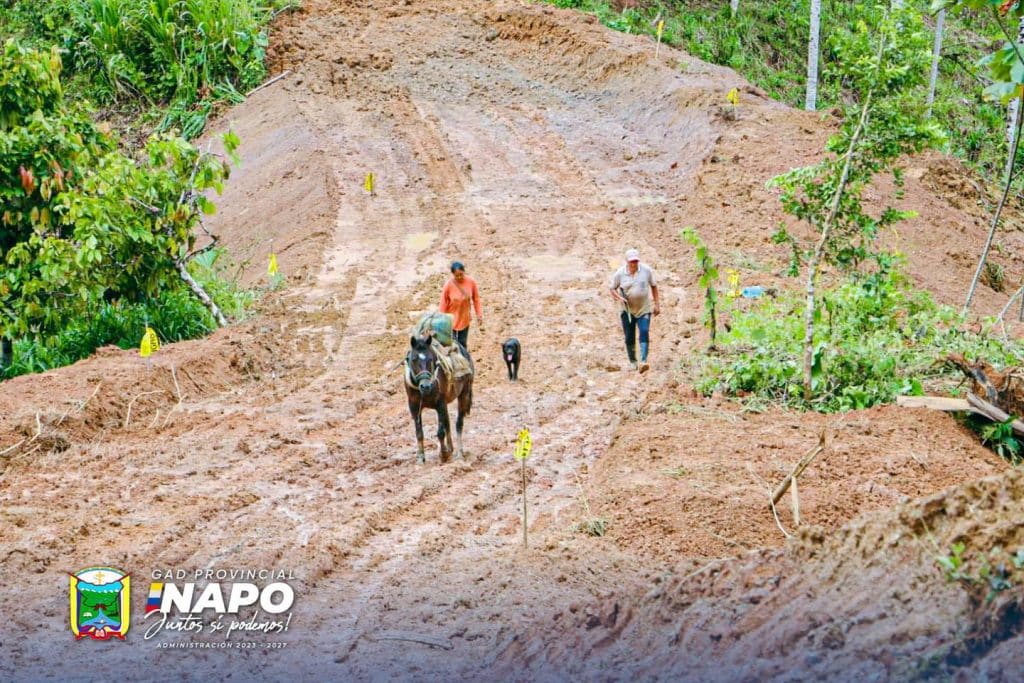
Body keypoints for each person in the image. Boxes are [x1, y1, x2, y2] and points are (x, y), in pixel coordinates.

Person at [609, 248, 660, 373]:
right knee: (629, 336)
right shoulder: (620, 274)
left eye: (636, 261)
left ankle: (643, 360)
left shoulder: (646, 271)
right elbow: (612, 288)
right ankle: (633, 361)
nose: (634, 264)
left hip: (644, 308)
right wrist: (620, 298)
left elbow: (654, 286)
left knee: (644, 331)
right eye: (631, 262)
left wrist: (657, 304)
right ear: (627, 262)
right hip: (627, 310)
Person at [439, 261, 483, 350]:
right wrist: (441, 319)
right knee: (452, 345)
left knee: (462, 344)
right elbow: (443, 302)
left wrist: (479, 314)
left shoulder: (471, 282)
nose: (459, 277)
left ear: (464, 271)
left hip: (464, 318)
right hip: (451, 320)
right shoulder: (448, 285)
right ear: (453, 275)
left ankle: (464, 361)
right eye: (456, 276)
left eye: (461, 274)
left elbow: (476, 299)